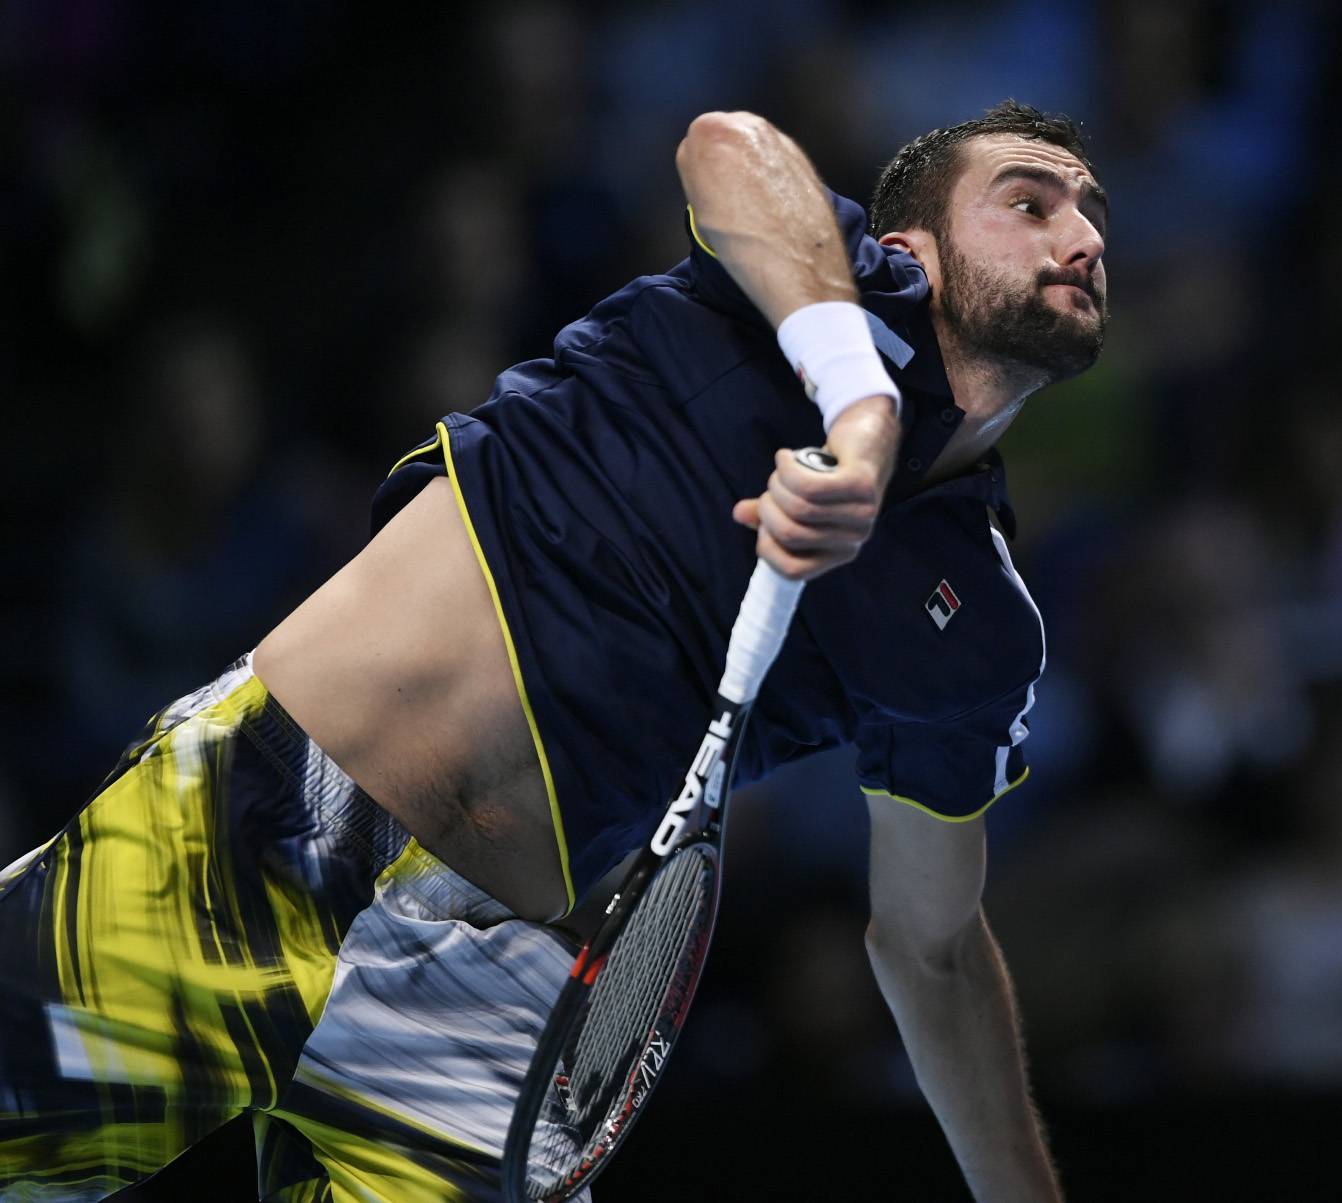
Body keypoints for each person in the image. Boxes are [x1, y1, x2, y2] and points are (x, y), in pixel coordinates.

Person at [0, 100, 1106, 1202]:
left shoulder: (982, 633)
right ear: (906, 247)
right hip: (256, 835)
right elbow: (726, 147)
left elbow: (935, 947)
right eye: (1029, 200)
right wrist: (860, 402)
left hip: (484, 1018)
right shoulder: (796, 285)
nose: (1084, 236)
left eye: (1092, 214)